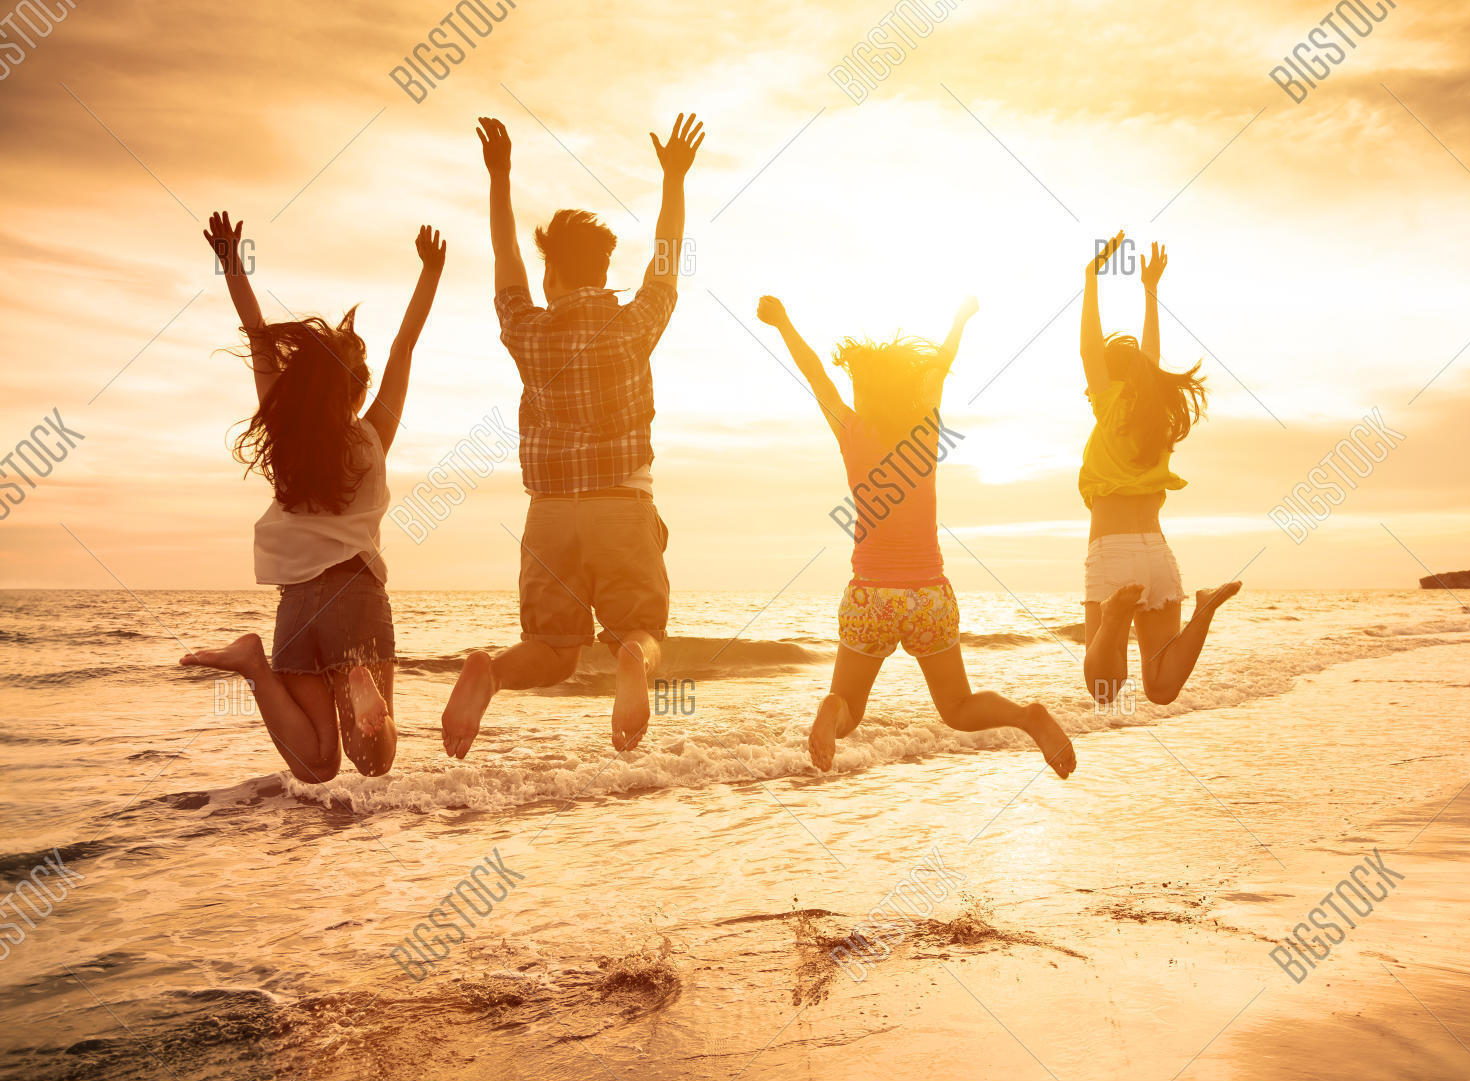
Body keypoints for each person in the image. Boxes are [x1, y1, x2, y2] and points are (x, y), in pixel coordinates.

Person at [442, 112, 705, 758]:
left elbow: (505, 257)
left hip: (550, 515)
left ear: (550, 276)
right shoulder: (635, 324)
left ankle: (492, 672)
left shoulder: (527, 329)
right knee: (640, 629)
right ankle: (632, 664)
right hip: (622, 505)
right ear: (604, 269)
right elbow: (667, 259)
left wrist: (499, 176)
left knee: (552, 652)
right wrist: (672, 180)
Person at [756, 294, 1076, 777]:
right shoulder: (924, 431)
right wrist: (959, 321)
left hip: (872, 598)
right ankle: (1026, 716)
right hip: (930, 596)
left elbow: (815, 375)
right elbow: (940, 369)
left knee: (850, 708)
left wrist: (782, 323)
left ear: (862, 392)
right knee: (958, 707)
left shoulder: (851, 429)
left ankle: (830, 711)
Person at [180, 211, 446, 781]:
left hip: (296, 605)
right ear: (357, 389)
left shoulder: (285, 433)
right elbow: (403, 348)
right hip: (355, 592)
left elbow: (257, 334)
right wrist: (430, 274)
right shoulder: (372, 436)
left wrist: (232, 263)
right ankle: (360, 686)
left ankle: (254, 665)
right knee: (372, 759)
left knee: (317, 765)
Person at [1079, 233, 1240, 708]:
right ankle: (1204, 610)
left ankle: (1113, 619)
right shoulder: (1160, 420)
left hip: (1112, 553)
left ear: (1106, 380)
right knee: (1162, 689)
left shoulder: (1111, 411)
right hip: (1158, 556)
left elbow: (1090, 350)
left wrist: (1090, 279)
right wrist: (1150, 291)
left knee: (1104, 691)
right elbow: (1149, 358)